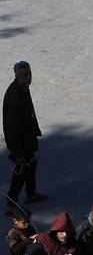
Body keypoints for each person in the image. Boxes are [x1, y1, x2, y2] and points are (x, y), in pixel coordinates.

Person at [4, 62, 46, 212]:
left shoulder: (22, 87)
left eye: (29, 74)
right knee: (21, 170)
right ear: (16, 76)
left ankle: (31, 193)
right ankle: (10, 204)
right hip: (21, 142)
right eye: (24, 75)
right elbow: (13, 129)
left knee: (31, 165)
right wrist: (19, 153)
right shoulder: (14, 97)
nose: (28, 78)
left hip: (27, 137)